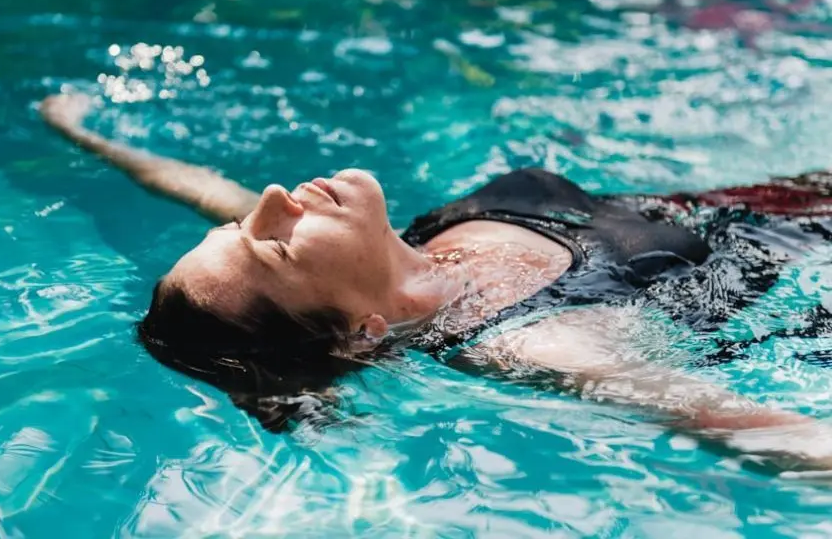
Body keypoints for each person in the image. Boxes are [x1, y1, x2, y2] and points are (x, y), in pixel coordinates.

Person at [41, 93, 832, 474]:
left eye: (239, 229)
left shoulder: (371, 249)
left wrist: (83, 133)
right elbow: (755, 428)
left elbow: (196, 185)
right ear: (361, 329)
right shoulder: (539, 342)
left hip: (782, 197)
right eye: (274, 249)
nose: (273, 204)